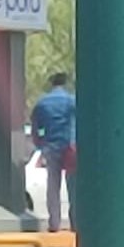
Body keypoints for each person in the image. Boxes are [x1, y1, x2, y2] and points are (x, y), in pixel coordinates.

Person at [30, 73, 76, 233]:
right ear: (65, 83)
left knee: (53, 185)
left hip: (50, 146)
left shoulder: (42, 103)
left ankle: (54, 223)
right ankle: (74, 222)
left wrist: (40, 145)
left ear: (51, 84)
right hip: (70, 146)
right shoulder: (71, 101)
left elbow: (35, 128)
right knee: (73, 185)